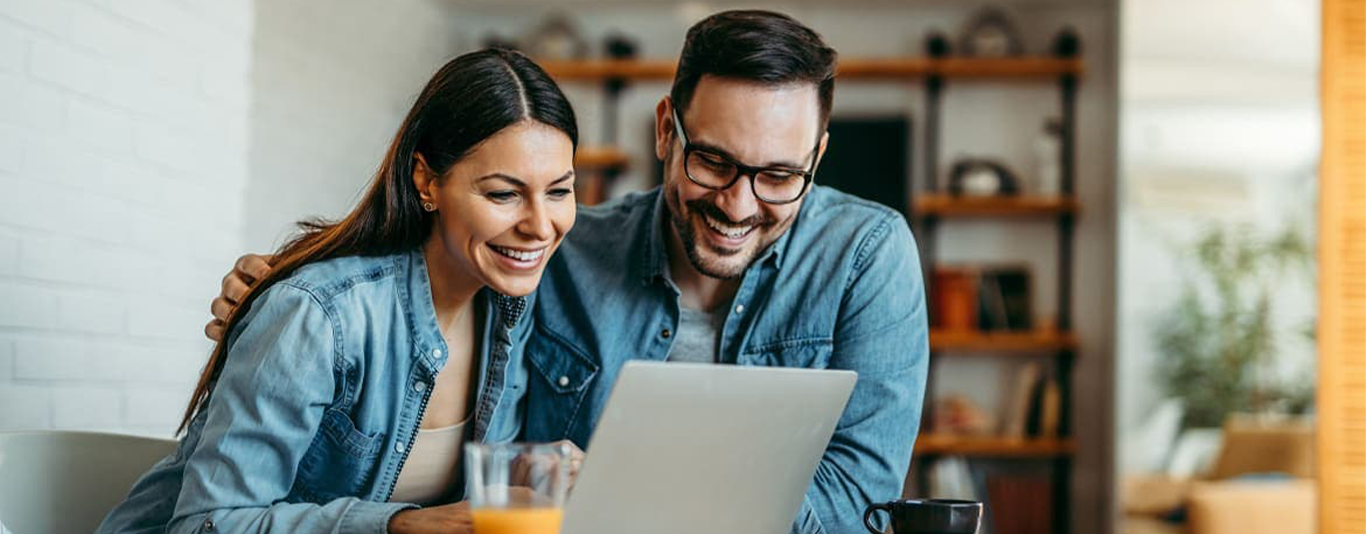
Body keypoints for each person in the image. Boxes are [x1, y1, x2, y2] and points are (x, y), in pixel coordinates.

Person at [213, 10, 929, 533]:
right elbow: (418, 269)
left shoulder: (866, 255)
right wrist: (288, 292)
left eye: (779, 176)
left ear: (817, 157)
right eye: (712, 161)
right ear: (664, 131)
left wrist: (639, 493)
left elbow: (857, 502)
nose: (738, 204)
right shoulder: (563, 251)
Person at [100, 48, 582, 534]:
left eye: (559, 191)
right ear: (427, 182)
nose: (541, 226)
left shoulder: (509, 313)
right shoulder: (320, 316)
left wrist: (527, 471)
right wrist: (399, 526)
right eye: (504, 194)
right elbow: (205, 523)